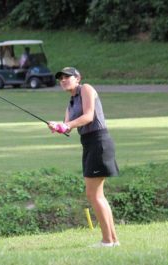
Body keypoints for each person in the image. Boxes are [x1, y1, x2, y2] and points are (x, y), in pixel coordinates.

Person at [48, 67, 120, 248]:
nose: (63, 80)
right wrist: (57, 126)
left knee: (93, 195)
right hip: (88, 144)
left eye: (67, 77)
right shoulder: (71, 103)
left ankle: (107, 241)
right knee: (98, 195)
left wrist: (66, 125)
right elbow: (67, 127)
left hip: (99, 141)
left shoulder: (86, 89)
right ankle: (112, 240)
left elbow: (88, 116)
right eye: (61, 78)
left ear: (78, 78)